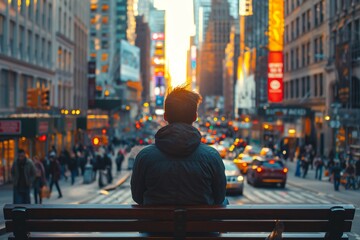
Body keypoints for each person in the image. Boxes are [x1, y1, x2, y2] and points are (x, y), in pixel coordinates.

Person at [131, 85, 226, 205]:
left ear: (165, 116)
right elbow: (219, 197)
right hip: (199, 223)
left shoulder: (144, 156)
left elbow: (137, 197)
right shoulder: (212, 156)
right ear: (195, 117)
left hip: (157, 223)